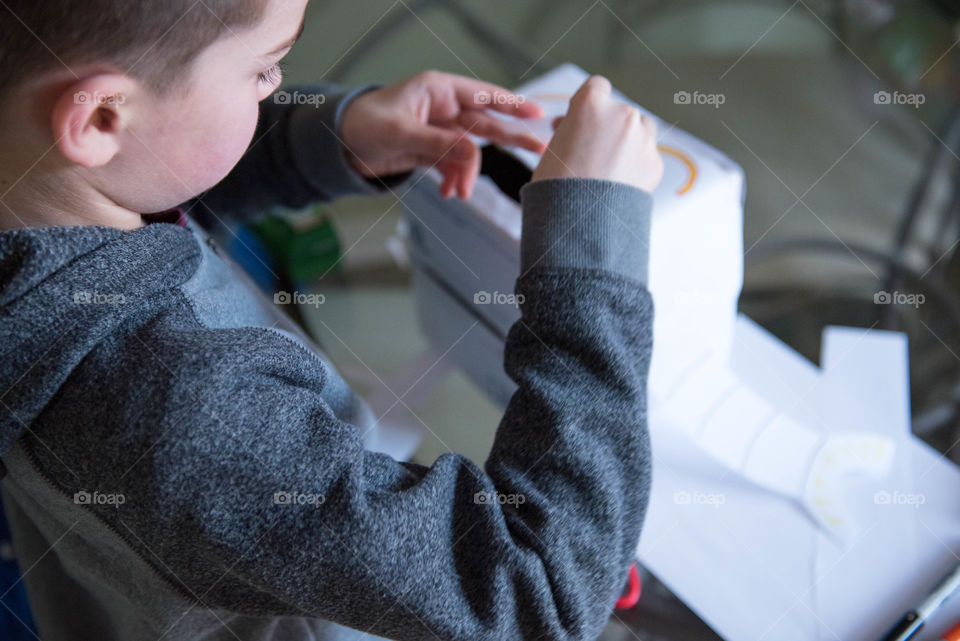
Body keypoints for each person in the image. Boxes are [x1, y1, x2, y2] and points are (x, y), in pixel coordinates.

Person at [0, 1, 664, 639]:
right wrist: (592, 253)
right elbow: (542, 588)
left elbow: (144, 169)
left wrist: (325, 137)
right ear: (100, 119)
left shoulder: (37, 203)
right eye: (263, 70)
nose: (277, 84)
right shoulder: (193, 416)